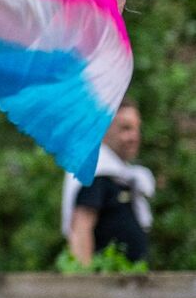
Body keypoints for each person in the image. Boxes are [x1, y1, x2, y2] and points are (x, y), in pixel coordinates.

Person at [62, 98, 155, 266]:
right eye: (125, 128)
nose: (134, 136)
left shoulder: (122, 176)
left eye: (136, 128)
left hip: (130, 284)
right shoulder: (95, 173)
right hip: (107, 284)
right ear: (104, 130)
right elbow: (81, 230)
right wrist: (86, 284)